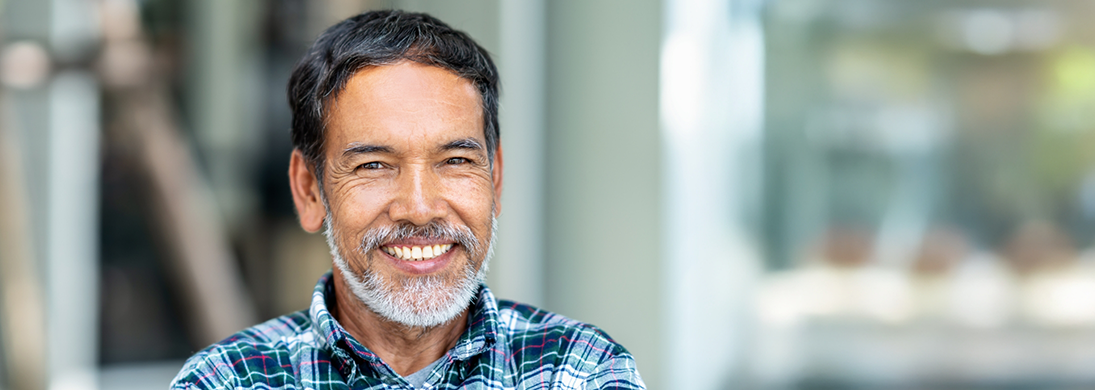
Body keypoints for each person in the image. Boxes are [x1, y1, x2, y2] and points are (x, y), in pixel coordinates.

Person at [170, 10, 645, 390]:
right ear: (309, 190)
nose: (419, 208)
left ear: (495, 178)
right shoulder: (226, 381)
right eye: (374, 165)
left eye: (456, 161)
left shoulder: (581, 372)